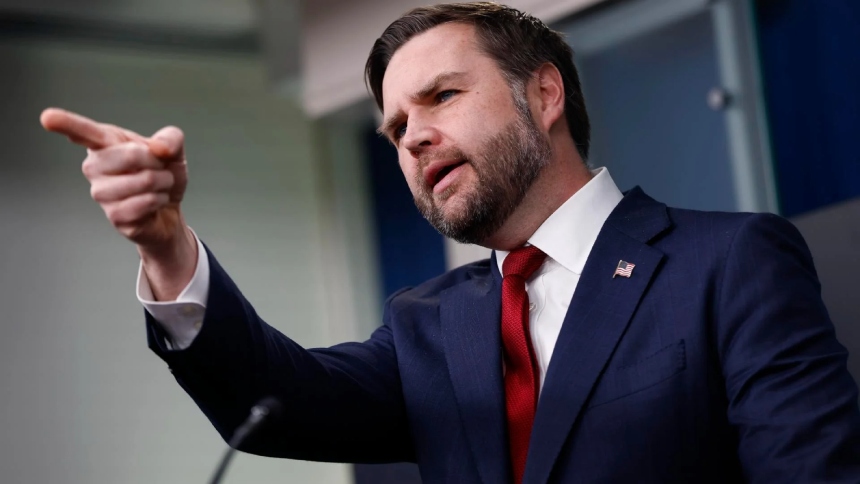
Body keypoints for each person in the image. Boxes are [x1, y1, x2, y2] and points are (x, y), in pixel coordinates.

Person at [41, 2, 860, 483]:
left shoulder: (729, 262)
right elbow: (275, 403)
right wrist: (164, 244)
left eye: (441, 97)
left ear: (544, 95)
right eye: (395, 127)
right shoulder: (425, 325)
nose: (413, 137)